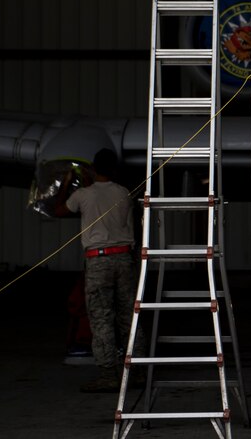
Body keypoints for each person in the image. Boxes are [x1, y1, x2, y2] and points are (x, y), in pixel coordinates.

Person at [55, 148, 145, 392]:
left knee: (101, 318)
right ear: (115, 169)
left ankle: (108, 374)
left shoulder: (83, 195)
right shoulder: (124, 192)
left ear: (94, 169)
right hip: (124, 259)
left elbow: (59, 210)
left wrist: (67, 184)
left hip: (98, 261)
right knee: (129, 316)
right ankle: (137, 371)